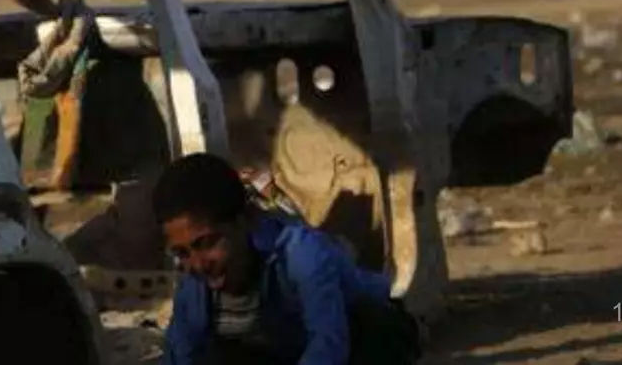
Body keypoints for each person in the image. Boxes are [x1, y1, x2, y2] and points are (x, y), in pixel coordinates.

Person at [154, 152, 423, 364]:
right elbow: (181, 353)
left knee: (376, 337)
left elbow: (328, 343)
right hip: (284, 349)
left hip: (362, 334)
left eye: (208, 243)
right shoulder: (194, 284)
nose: (198, 264)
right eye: (183, 253)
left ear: (245, 221)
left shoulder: (301, 253)